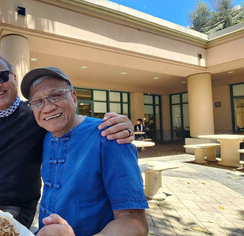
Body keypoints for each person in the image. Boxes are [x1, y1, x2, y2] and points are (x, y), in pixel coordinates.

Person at [0, 53, 135, 228]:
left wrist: (121, 125)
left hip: (18, 208)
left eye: (2, 76)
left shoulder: (37, 115)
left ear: (14, 77)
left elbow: (71, 121)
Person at [21, 67, 149, 236]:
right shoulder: (46, 135)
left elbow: (134, 222)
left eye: (56, 95)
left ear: (73, 98)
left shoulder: (108, 135)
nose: (48, 108)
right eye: (38, 101)